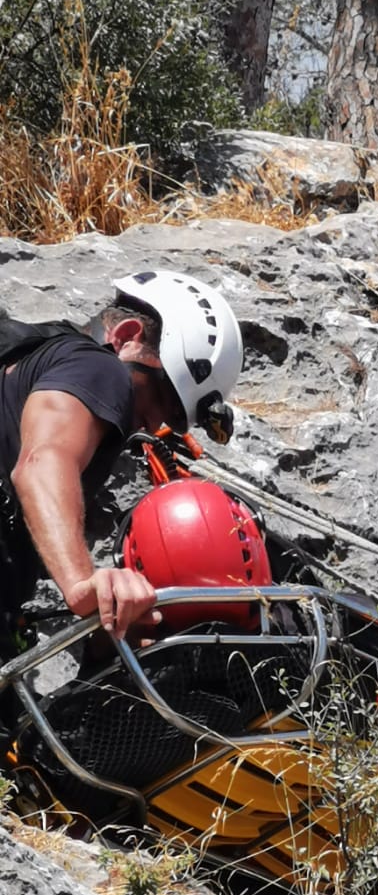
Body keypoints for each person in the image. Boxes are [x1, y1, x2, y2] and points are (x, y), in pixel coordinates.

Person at [0, 269, 242, 648]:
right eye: (163, 396)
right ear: (127, 336)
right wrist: (82, 581)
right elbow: (41, 463)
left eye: (176, 420)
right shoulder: (100, 367)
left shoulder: (39, 361)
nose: (159, 421)